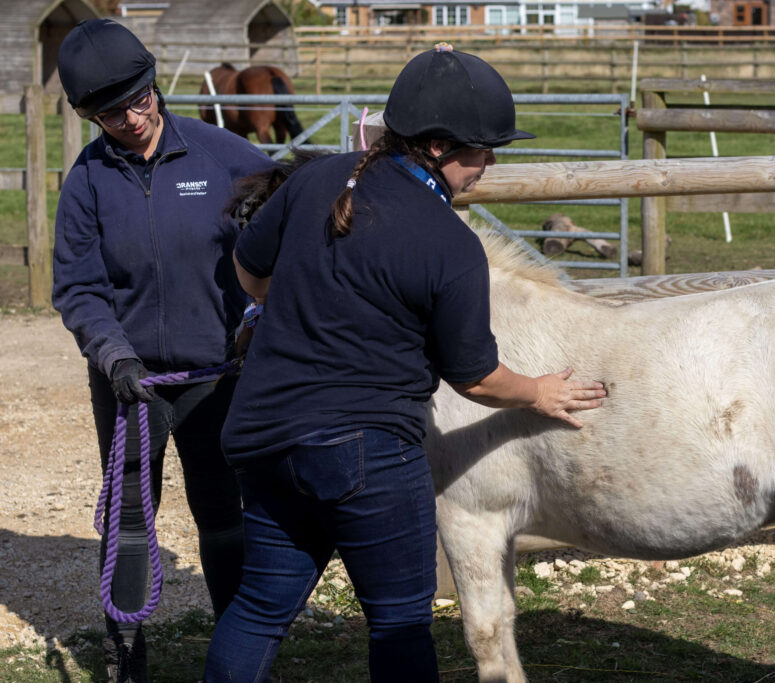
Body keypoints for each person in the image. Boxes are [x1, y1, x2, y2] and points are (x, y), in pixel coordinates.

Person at [204, 44, 606, 682]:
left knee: (258, 608)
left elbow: (249, 271)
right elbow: (475, 376)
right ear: (440, 147)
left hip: (260, 434)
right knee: (397, 621)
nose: (491, 163)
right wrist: (537, 391)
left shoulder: (315, 178)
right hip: (363, 450)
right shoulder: (450, 242)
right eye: (482, 149)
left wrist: (295, 309)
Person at [51, 18, 277, 682]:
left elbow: (293, 218)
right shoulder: (87, 183)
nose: (133, 116)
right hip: (131, 380)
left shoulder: (224, 156)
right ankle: (127, 655)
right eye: (111, 111)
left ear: (155, 84)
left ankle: (243, 653)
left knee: (223, 513)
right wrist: (113, 354)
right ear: (90, 115)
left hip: (217, 373)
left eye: (141, 97)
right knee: (127, 516)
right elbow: (80, 285)